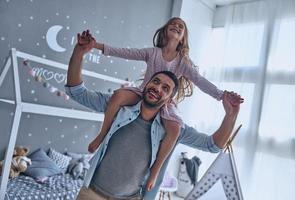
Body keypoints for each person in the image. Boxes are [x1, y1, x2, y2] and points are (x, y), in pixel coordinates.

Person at [65, 33, 243, 200]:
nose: (158, 88)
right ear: (146, 84)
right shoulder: (119, 107)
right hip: (91, 193)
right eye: (156, 82)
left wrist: (230, 115)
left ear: (169, 100)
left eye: (166, 88)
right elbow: (77, 93)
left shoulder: (173, 129)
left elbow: (212, 145)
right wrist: (79, 53)